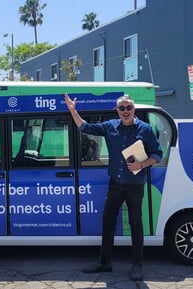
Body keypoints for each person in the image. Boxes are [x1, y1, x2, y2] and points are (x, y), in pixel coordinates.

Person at [64, 93, 163, 281]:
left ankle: (137, 264)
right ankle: (105, 262)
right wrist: (72, 110)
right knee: (107, 220)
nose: (125, 111)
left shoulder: (145, 129)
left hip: (135, 185)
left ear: (134, 109)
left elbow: (157, 154)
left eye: (129, 108)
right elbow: (85, 127)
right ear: (116, 110)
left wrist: (141, 165)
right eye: (122, 108)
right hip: (115, 184)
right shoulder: (110, 126)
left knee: (135, 223)